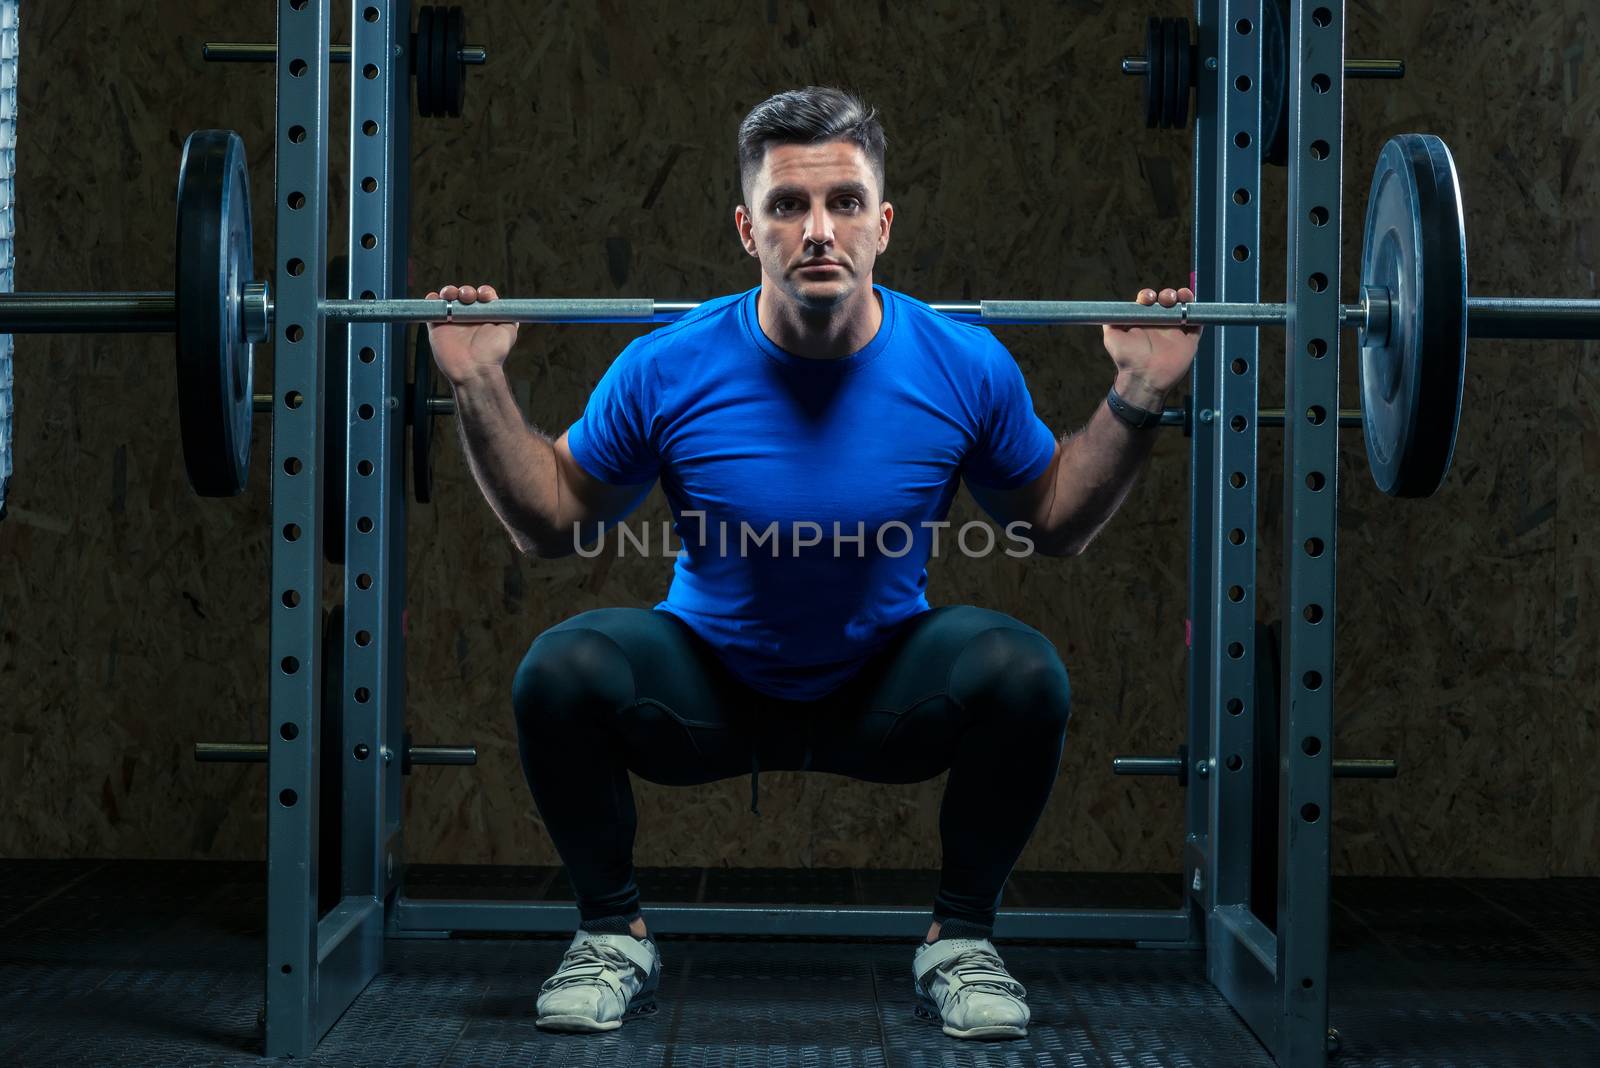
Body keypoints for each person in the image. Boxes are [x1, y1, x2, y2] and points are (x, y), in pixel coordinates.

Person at [425, 85, 1200, 1040]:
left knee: (1022, 670)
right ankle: (610, 935)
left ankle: (959, 940)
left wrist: (1136, 393)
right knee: (561, 670)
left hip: (882, 688)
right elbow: (550, 522)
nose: (818, 230)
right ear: (749, 230)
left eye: (842, 203)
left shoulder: (964, 363)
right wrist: (477, 383)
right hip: (705, 687)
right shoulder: (667, 364)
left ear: (883, 223)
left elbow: (1052, 521)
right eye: (788, 206)